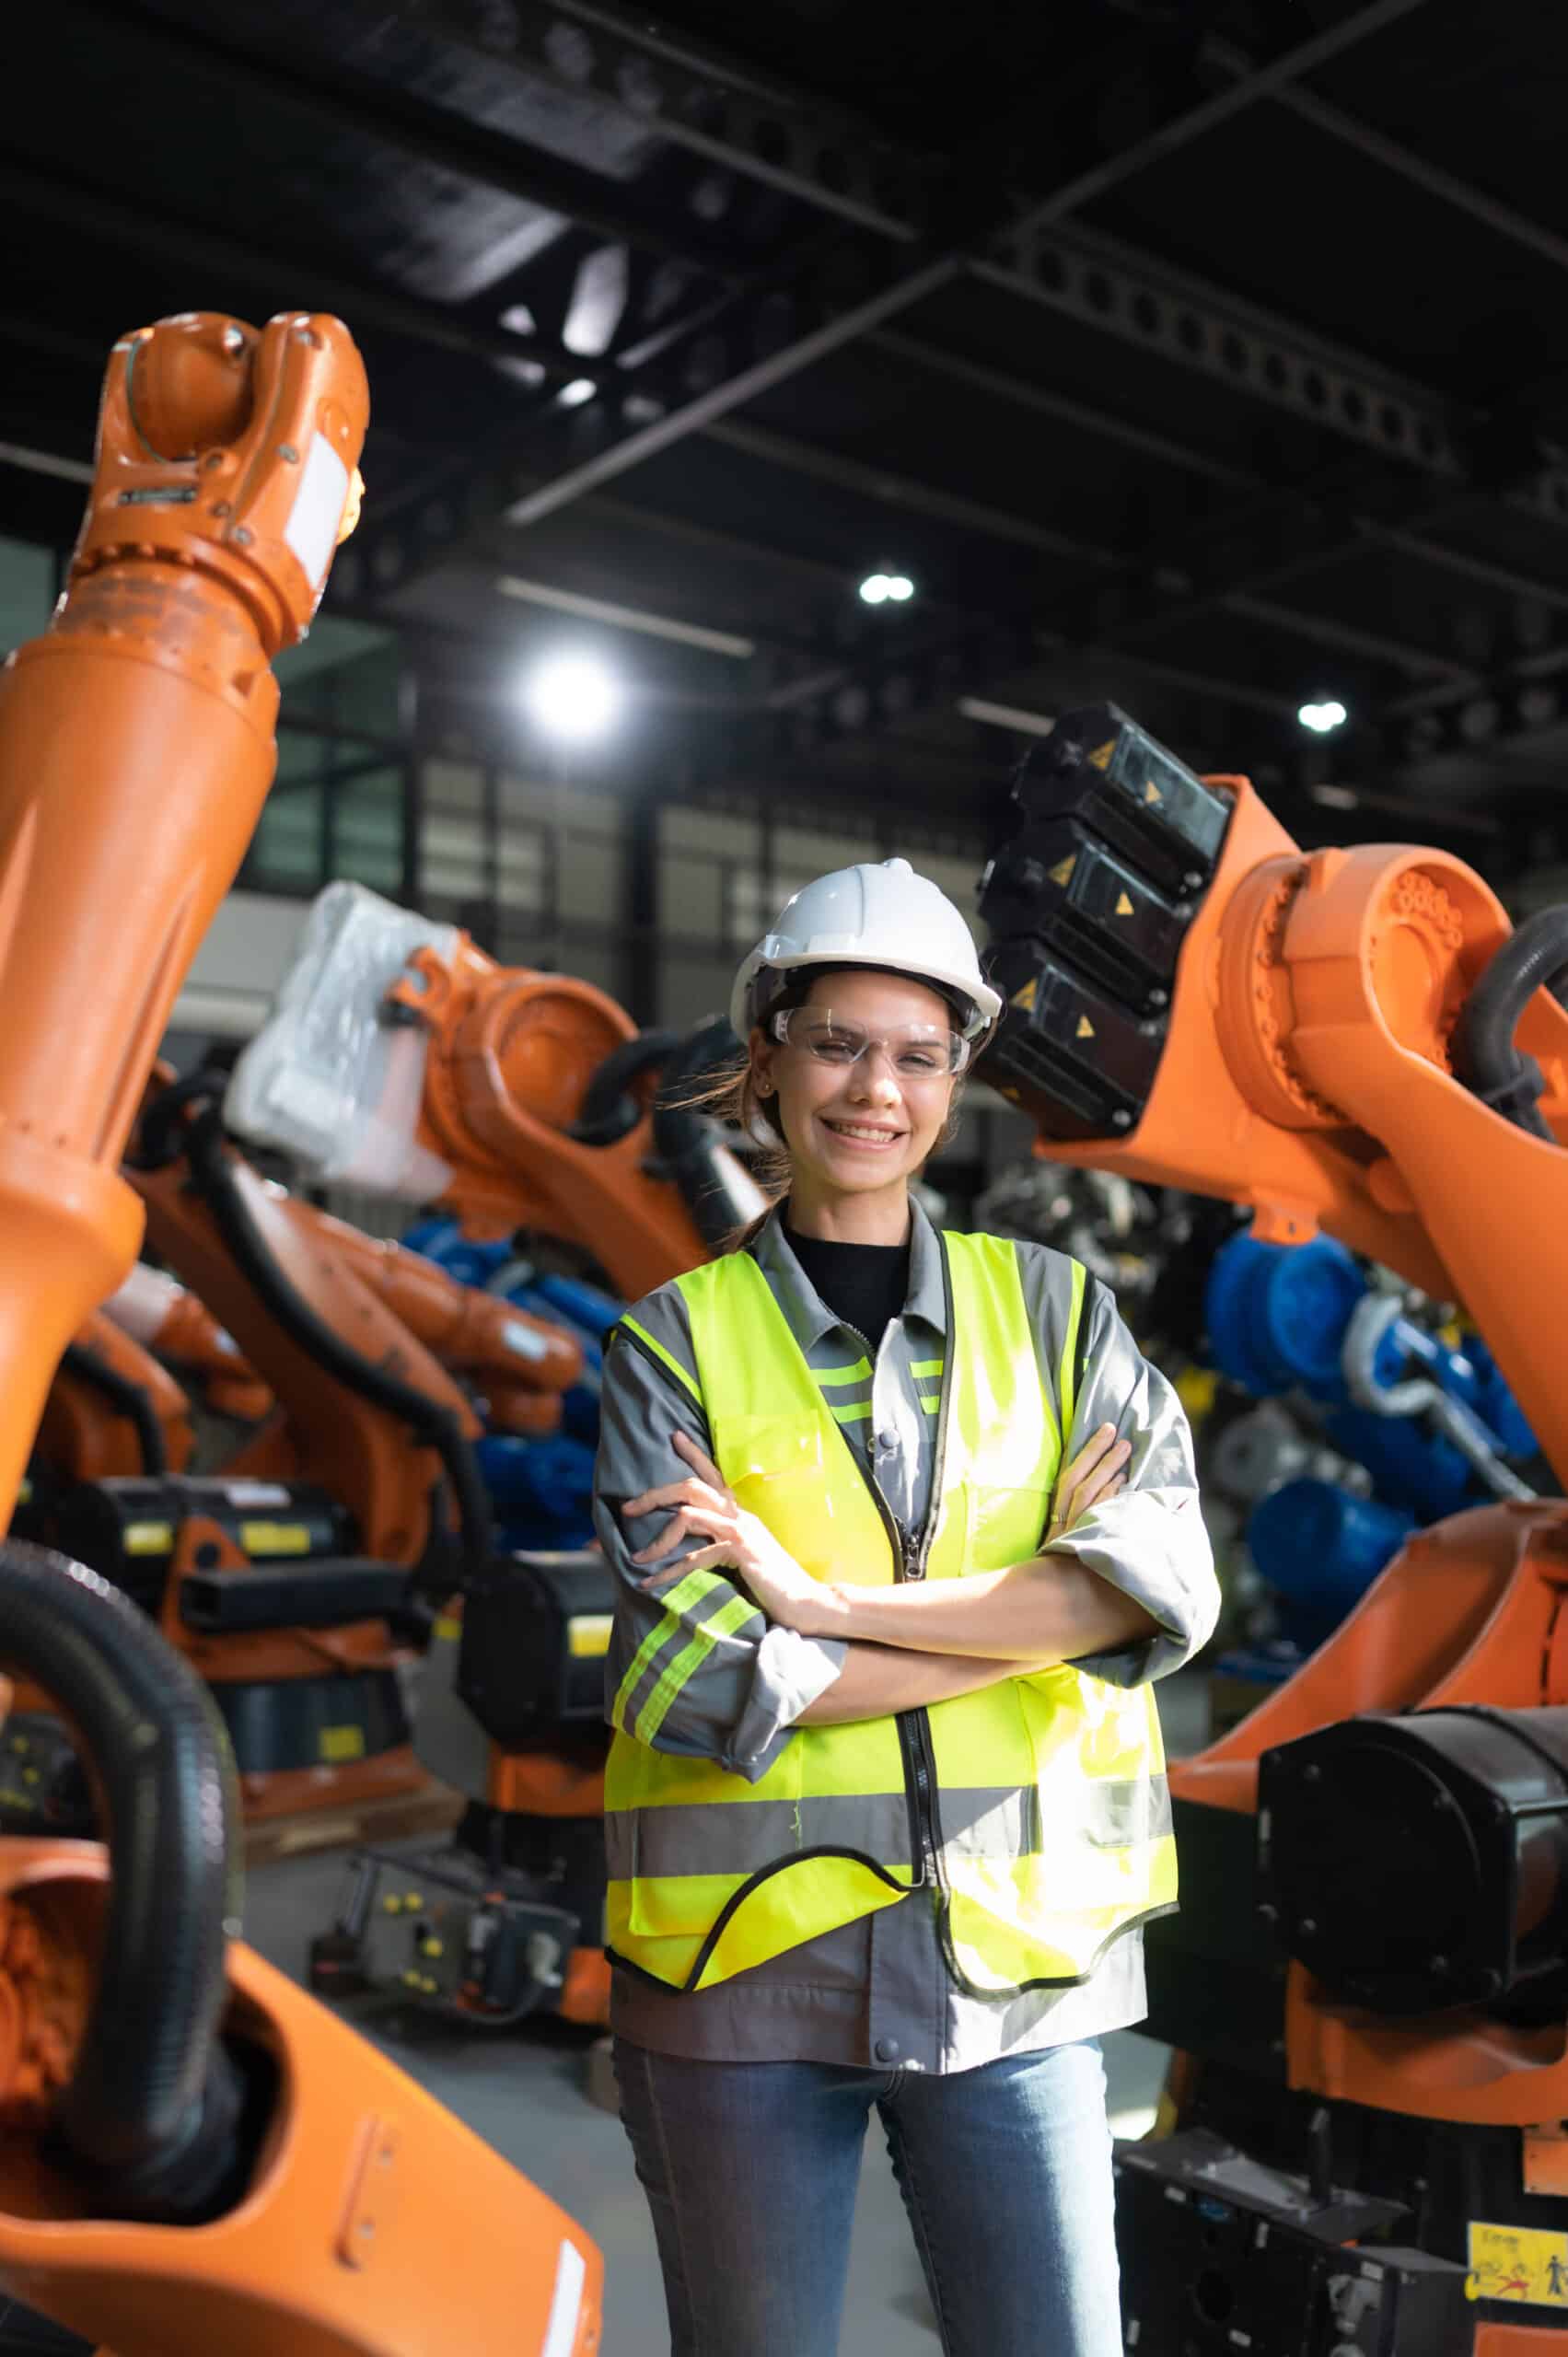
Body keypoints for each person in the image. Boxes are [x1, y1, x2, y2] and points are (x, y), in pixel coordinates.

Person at [594, 856, 1219, 2357]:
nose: (875, 1088)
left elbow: (1164, 1588)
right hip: (739, 1979)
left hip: (1018, 1980)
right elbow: (695, 1681)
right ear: (769, 1056)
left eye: (918, 1055)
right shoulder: (668, 1348)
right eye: (837, 1043)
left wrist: (818, 1604)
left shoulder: (1062, 1317)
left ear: (956, 1080)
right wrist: (1042, 1616)